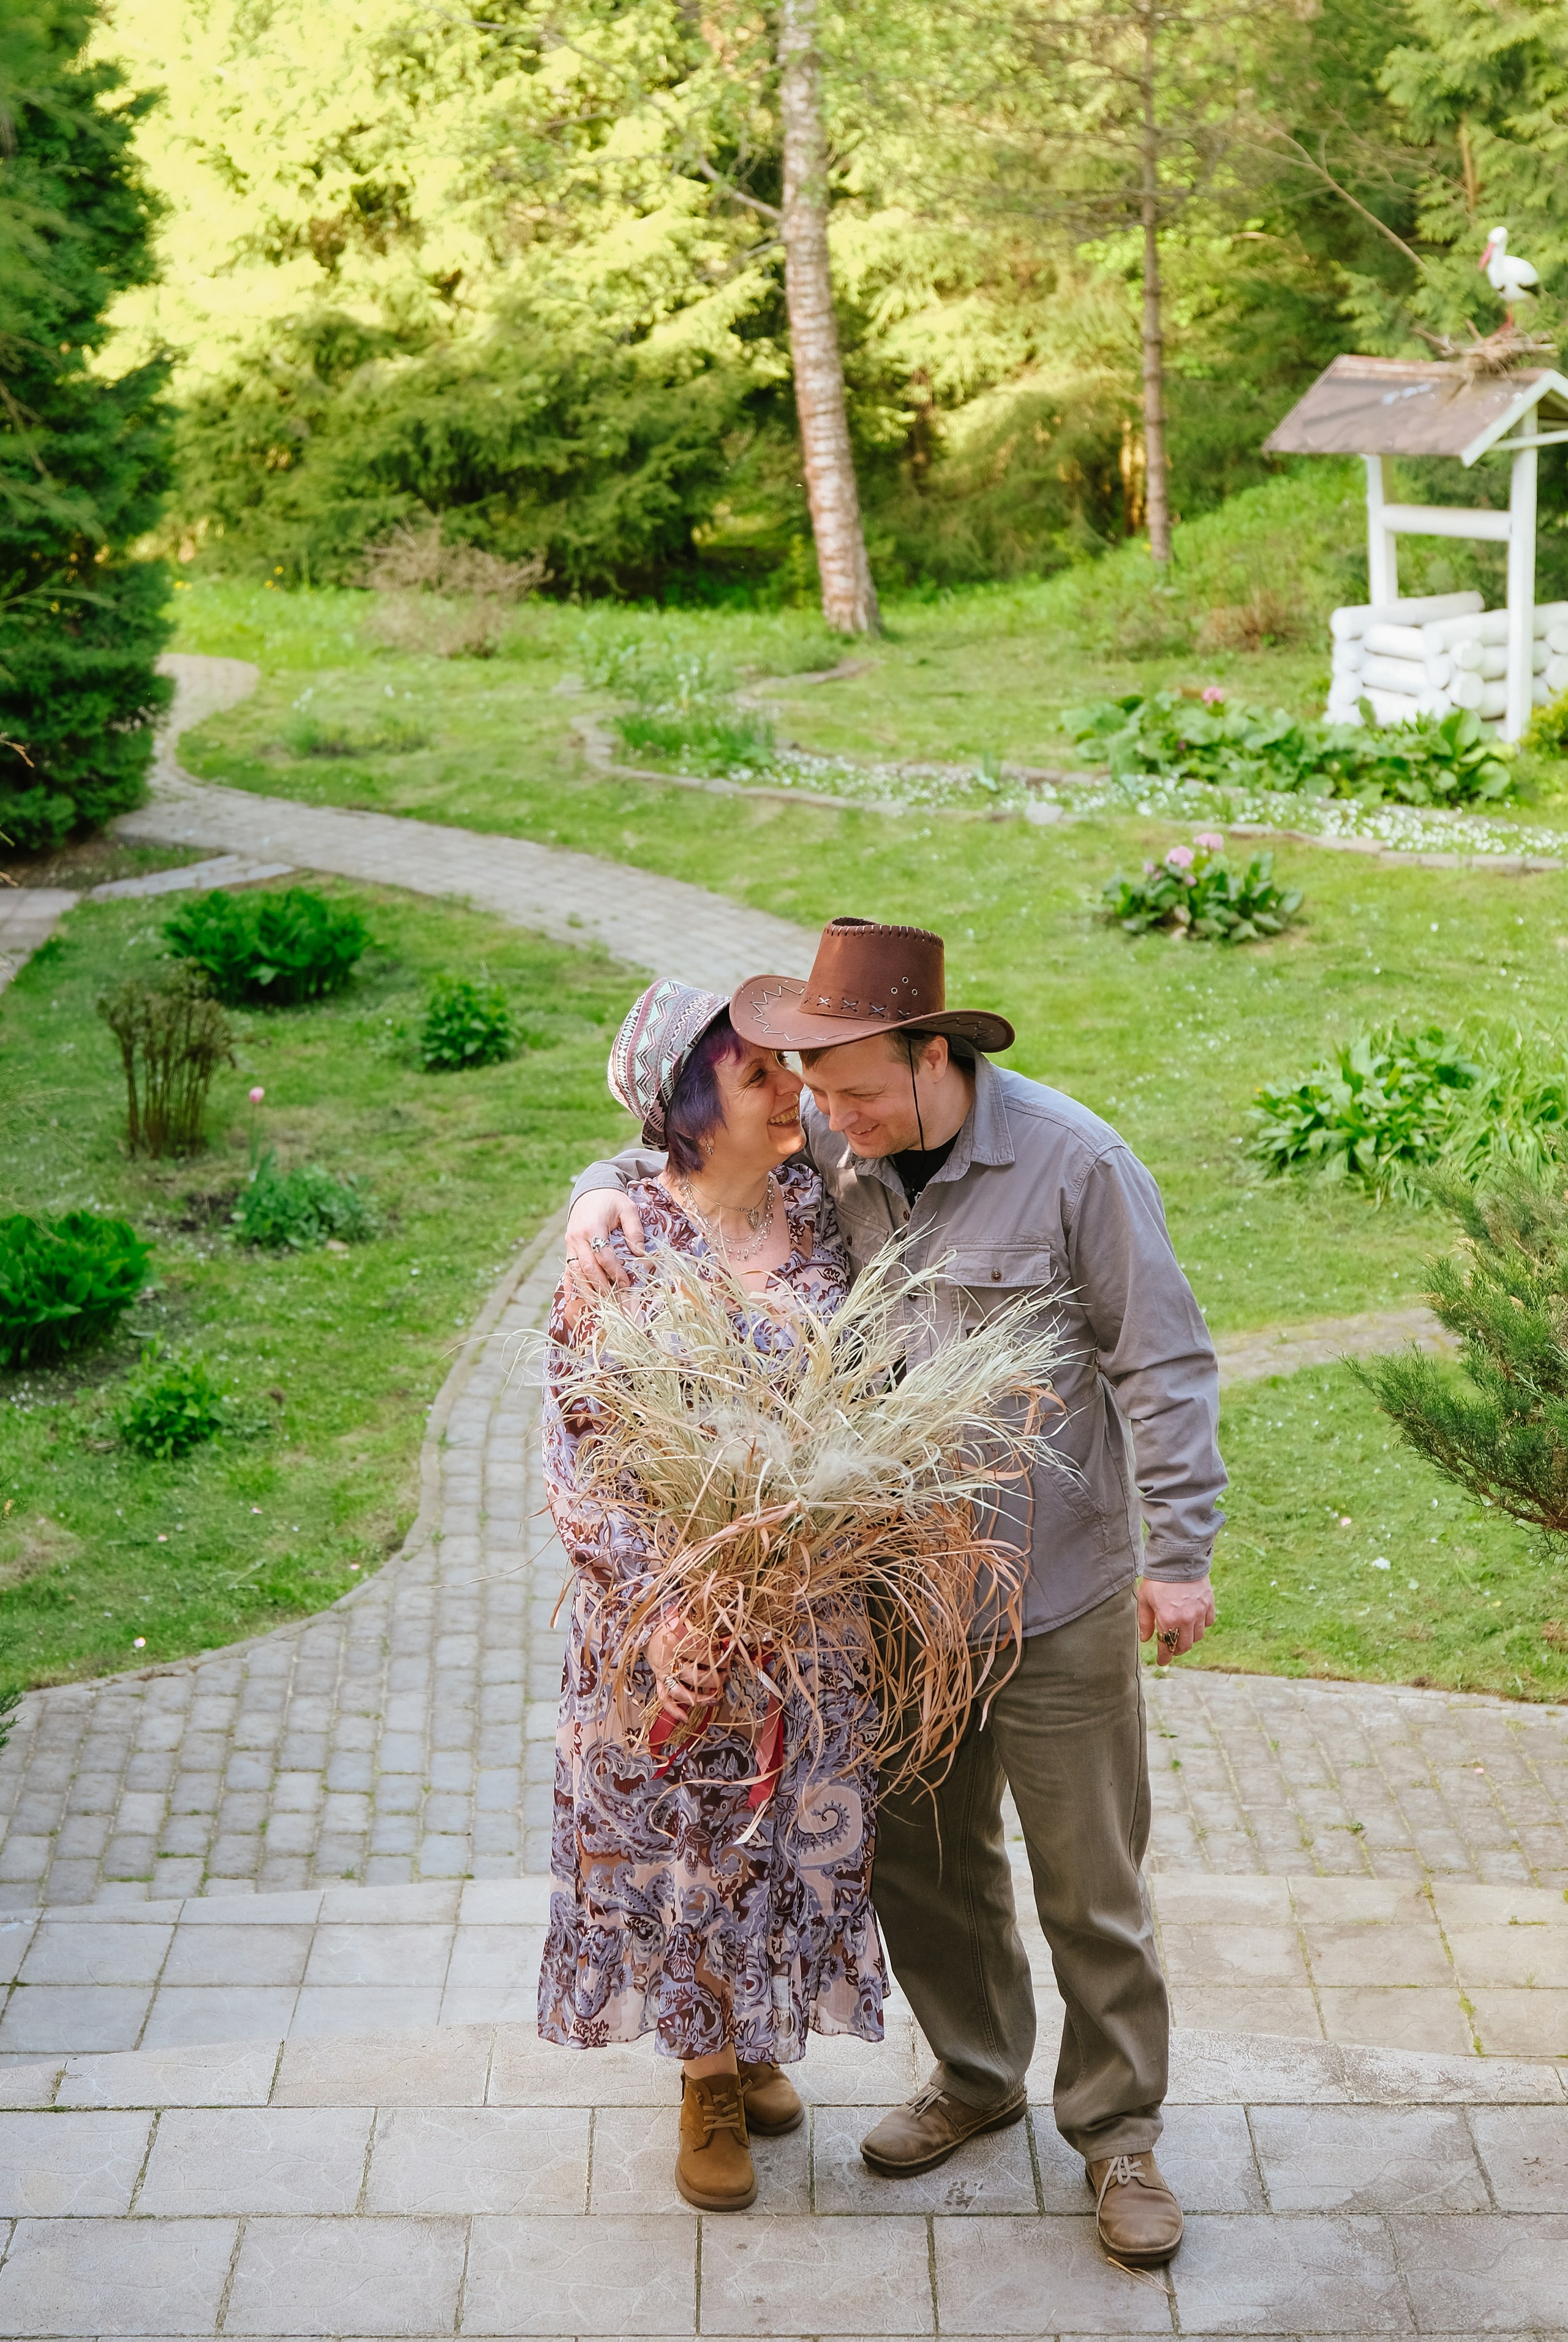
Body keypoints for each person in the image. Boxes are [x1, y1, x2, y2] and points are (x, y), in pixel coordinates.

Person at [564, 916, 1225, 2269]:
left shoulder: (1072, 1164)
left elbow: (1162, 1360)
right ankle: (976, 2076)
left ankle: (1117, 2137)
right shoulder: (835, 1175)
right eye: (810, 1090)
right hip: (896, 1614)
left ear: (937, 1057)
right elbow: (678, 1174)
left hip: (1053, 1595)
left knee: (1088, 1885)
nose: (831, 1117)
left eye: (856, 1088)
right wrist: (594, 1188)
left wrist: (1178, 1551)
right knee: (926, 1870)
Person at [538, 976, 884, 2216]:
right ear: (686, 1108)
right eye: (760, 1076)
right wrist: (669, 1615)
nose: (793, 1089)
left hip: (803, 1612)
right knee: (684, 1843)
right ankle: (704, 2080)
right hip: (663, 1630)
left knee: (784, 1838)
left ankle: (754, 2038)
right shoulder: (621, 1236)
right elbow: (580, 1451)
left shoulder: (816, 1196)